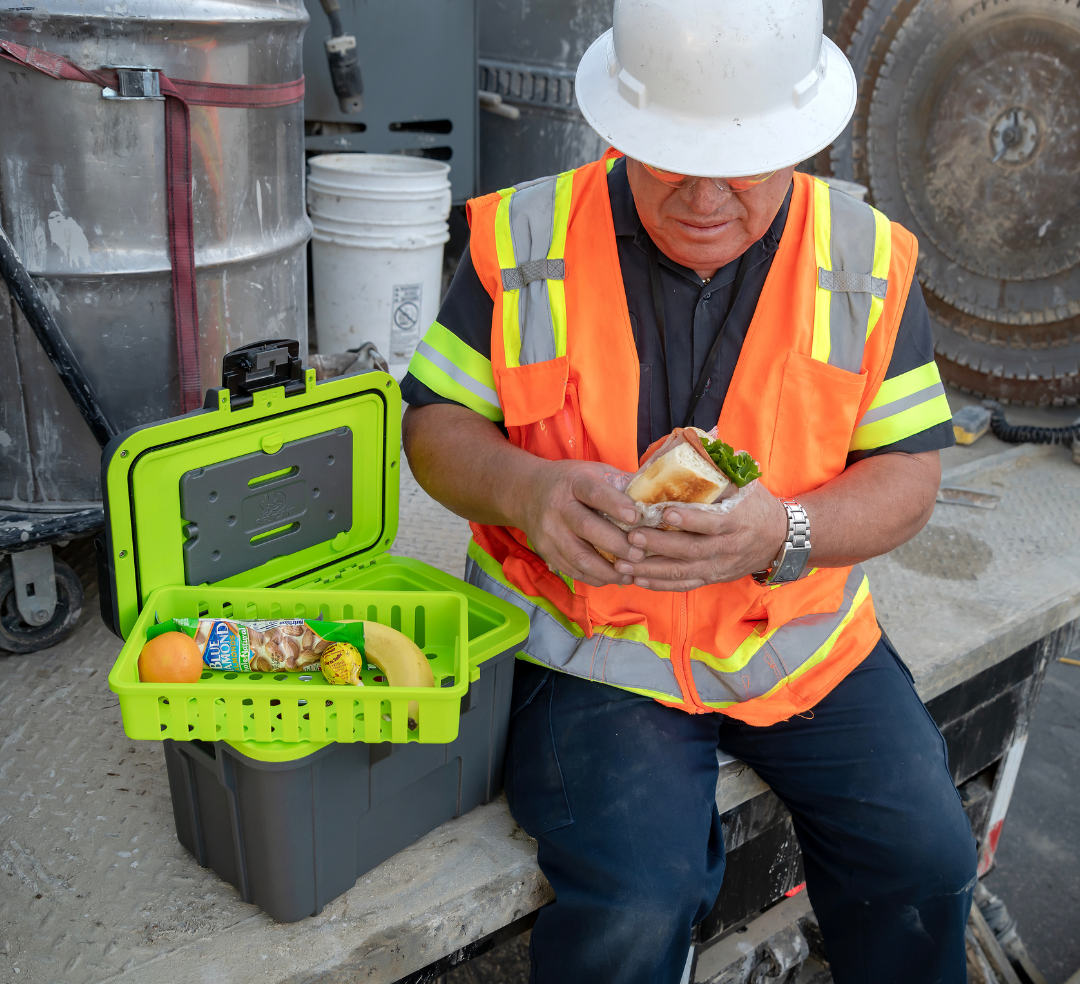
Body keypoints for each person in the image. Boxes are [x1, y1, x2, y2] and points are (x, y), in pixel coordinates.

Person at [400, 1, 977, 981]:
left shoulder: (866, 259)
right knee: (635, 904)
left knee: (924, 862)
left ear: (797, 139)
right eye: (672, 157)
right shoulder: (528, 236)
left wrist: (785, 531)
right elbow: (433, 429)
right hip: (587, 648)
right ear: (623, 127)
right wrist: (529, 490)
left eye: (740, 162)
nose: (705, 197)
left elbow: (909, 477)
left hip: (799, 644)